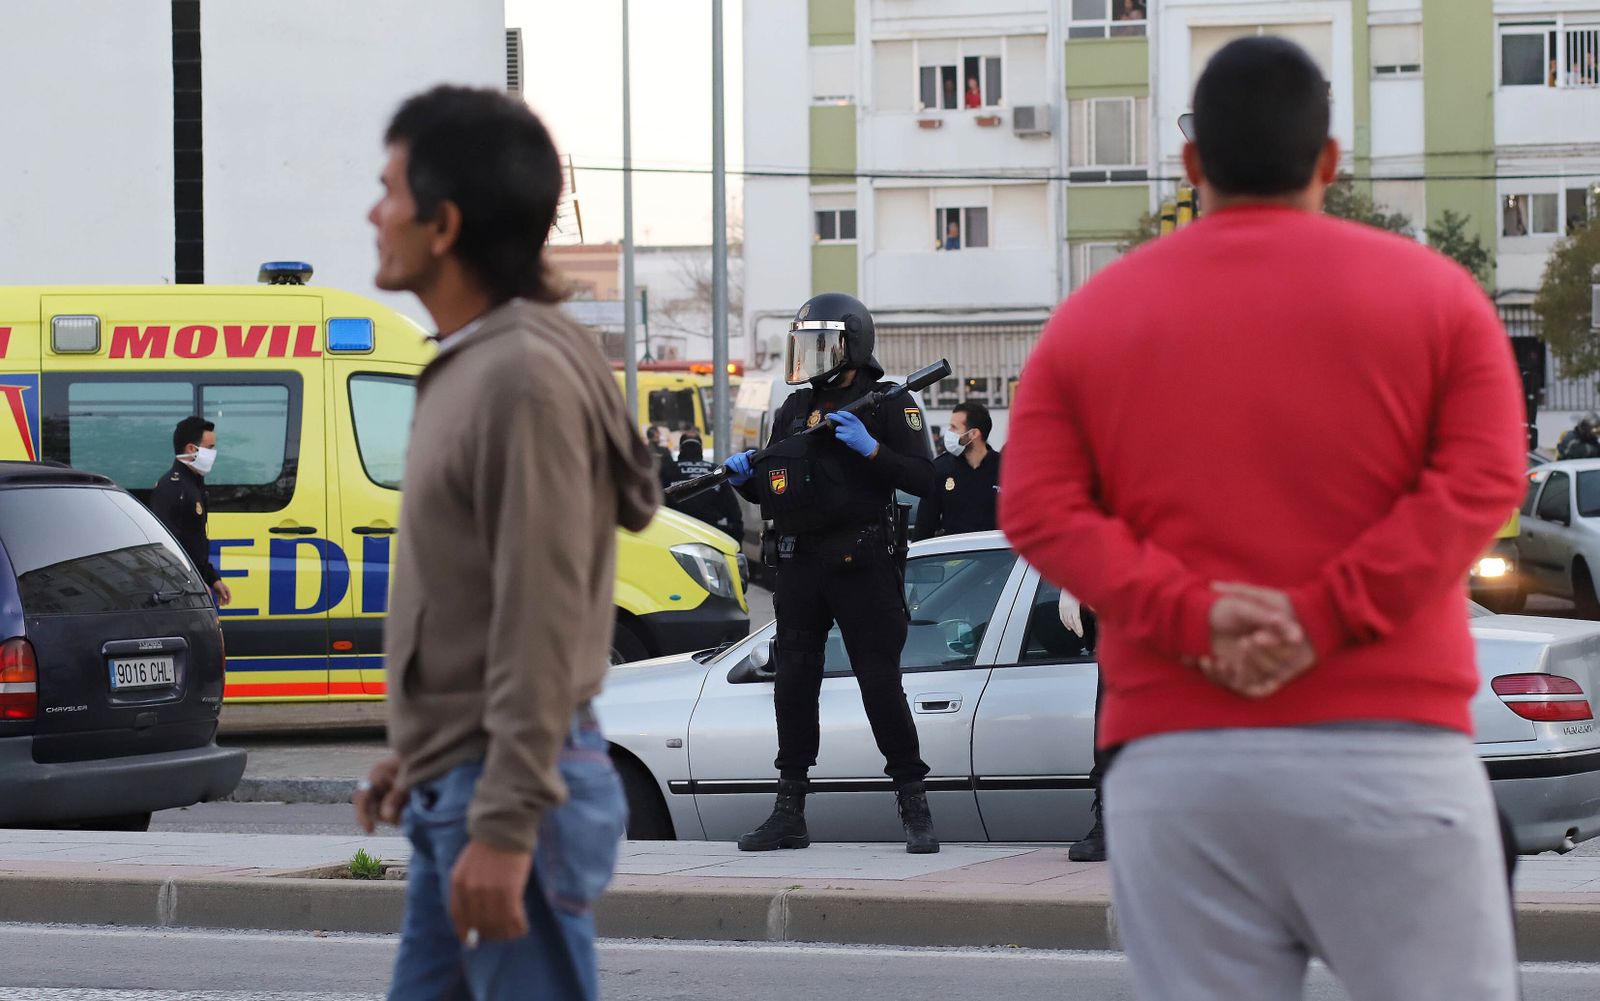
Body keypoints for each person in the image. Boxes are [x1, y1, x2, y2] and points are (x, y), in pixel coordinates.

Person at [1001, 37, 1524, 1000]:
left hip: (1176, 759)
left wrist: (1189, 615)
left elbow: (1035, 507)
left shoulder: (1091, 318)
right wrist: (1325, 616)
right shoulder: (1440, 300)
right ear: (1329, 162)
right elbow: (1485, 479)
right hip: (1395, 749)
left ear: (1193, 165)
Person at [351, 85, 659, 1001]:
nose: (374, 212)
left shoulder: (519, 377)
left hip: (510, 792)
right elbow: (478, 596)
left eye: (389, 190)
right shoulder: (483, 357)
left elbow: (544, 610)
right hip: (467, 778)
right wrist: (424, 748)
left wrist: (509, 817)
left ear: (442, 224)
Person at [721, 291, 940, 854]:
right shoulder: (795, 409)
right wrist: (746, 477)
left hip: (861, 562)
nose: (814, 355)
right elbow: (779, 483)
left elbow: (925, 478)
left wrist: (871, 450)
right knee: (793, 686)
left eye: (825, 343)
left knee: (877, 683)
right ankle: (789, 811)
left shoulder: (890, 403)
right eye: (808, 343)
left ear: (853, 346)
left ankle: (915, 804)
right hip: (799, 562)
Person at [148, 416, 231, 608]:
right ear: (191, 449)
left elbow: (195, 544)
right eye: (210, 448)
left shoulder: (194, 485)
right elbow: (168, 548)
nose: (213, 453)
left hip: (192, 587)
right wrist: (194, 584)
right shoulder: (172, 488)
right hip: (180, 594)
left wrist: (212, 579)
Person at [913, 400, 1001, 540]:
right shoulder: (940, 469)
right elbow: (924, 527)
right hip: (955, 557)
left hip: (998, 557)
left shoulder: (1005, 469)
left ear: (973, 434)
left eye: (954, 428)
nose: (949, 433)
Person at [666, 432, 744, 541]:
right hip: (710, 535)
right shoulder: (715, 471)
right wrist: (737, 536)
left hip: (675, 533)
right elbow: (733, 509)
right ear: (701, 449)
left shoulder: (667, 469)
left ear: (680, 448)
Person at [646, 425, 678, 489]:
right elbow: (672, 468)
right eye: (658, 433)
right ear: (657, 435)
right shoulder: (664, 450)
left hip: (650, 485)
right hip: (664, 485)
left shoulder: (644, 451)